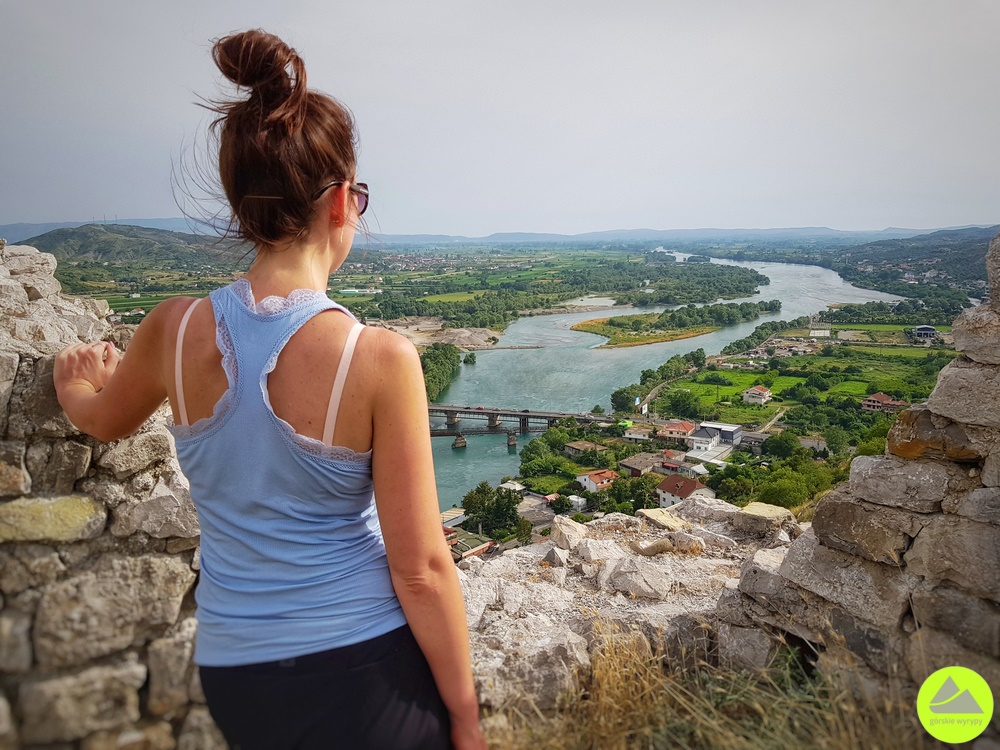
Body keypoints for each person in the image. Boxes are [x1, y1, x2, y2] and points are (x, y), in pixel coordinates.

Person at [54, 29, 485, 750]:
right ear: (343, 201)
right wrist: (466, 717)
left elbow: (102, 420)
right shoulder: (376, 358)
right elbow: (421, 568)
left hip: (236, 672)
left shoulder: (172, 329)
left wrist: (76, 388)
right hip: (362, 666)